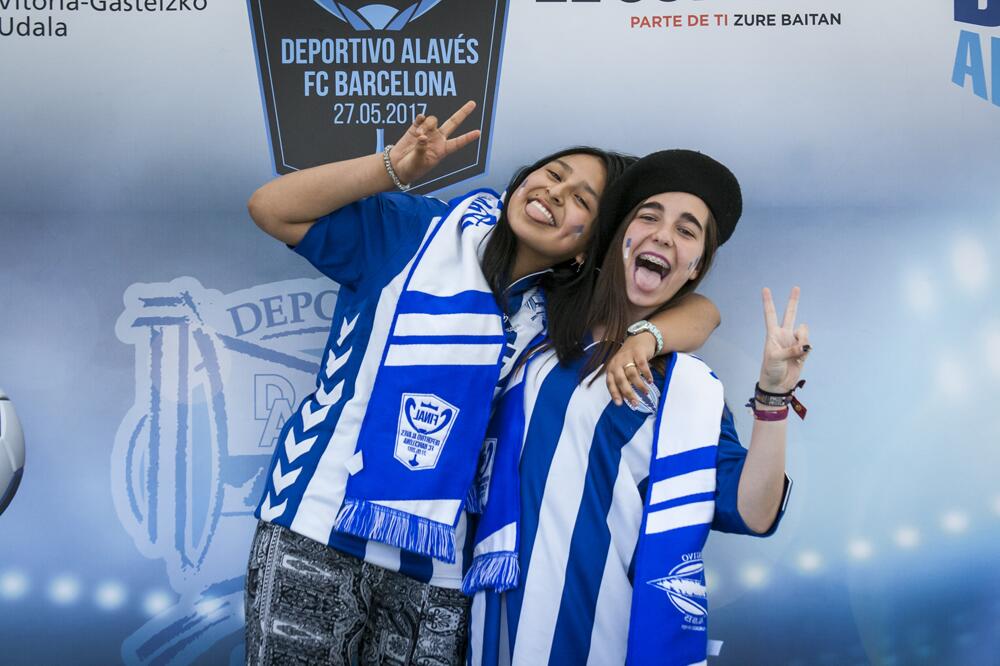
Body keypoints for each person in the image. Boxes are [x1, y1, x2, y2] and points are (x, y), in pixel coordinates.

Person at [243, 105, 723, 664]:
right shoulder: (420, 233)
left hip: (439, 571)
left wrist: (643, 337)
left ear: (587, 247)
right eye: (553, 173)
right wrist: (391, 167)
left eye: (582, 201)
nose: (554, 190)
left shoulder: (566, 315)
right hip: (318, 526)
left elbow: (703, 311)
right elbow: (271, 209)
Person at [466, 150, 809, 666]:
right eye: (648, 217)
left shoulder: (683, 389)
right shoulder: (540, 322)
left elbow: (754, 511)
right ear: (614, 240)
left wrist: (774, 396)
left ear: (695, 268)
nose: (664, 235)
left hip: (589, 634)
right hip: (478, 621)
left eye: (687, 231)